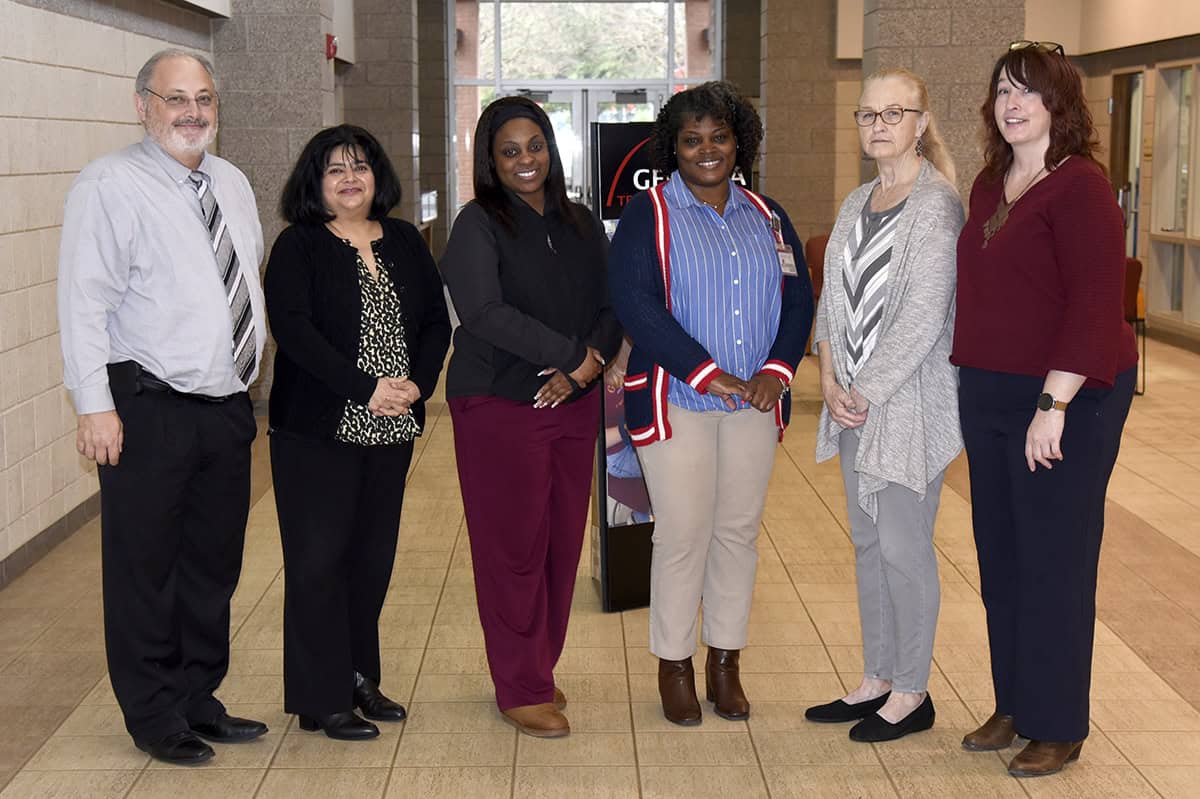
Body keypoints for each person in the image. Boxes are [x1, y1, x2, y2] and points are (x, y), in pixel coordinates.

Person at [57, 50, 267, 765]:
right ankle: (153, 711)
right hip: (147, 408)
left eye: (203, 98)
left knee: (213, 563)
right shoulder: (109, 184)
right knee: (147, 566)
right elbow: (84, 303)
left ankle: (197, 696)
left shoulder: (231, 182)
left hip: (225, 407)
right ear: (141, 103)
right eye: (175, 98)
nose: (192, 112)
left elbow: (240, 284)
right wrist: (95, 405)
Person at [953, 41, 1138, 777]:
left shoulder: (1082, 187)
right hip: (989, 390)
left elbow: (1096, 307)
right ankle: (1015, 702)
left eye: (1028, 90)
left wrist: (1052, 404)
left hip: (1070, 395)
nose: (1012, 102)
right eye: (1002, 89)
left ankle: (1058, 721)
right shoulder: (990, 182)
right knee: (1001, 558)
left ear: (1059, 104)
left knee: (1054, 560)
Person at [609, 81, 813, 726]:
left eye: (718, 137)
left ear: (738, 142)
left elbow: (797, 300)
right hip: (677, 399)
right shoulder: (652, 212)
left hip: (755, 404)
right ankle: (674, 665)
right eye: (691, 140)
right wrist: (707, 372)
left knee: (736, 533)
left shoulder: (768, 215)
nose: (706, 150)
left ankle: (725, 662)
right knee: (682, 533)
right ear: (673, 147)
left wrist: (776, 372)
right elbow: (634, 300)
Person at [440, 96, 622, 738]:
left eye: (535, 146)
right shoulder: (477, 224)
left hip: (572, 404)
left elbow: (613, 300)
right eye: (509, 150)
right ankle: (518, 686)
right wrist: (571, 354)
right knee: (512, 551)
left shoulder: (580, 223)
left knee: (559, 546)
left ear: (552, 148)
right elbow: (483, 311)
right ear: (490, 159)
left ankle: (536, 668)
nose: (525, 160)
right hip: (499, 405)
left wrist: (585, 366)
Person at [263, 125, 451, 740]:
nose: (350, 178)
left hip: (390, 431)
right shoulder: (299, 247)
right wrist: (367, 387)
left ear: (378, 176)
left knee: (370, 562)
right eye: (335, 168)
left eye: (361, 166)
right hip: (317, 432)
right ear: (315, 182)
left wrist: (417, 385)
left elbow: (432, 323)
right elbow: (296, 334)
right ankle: (319, 698)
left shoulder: (402, 239)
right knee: (319, 563)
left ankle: (356, 677)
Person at [802, 69, 963, 743]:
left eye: (891, 113)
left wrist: (865, 389)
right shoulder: (857, 199)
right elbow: (832, 301)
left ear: (921, 122)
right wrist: (833, 377)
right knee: (868, 542)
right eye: (867, 115)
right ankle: (876, 677)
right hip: (849, 404)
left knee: (904, 546)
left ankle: (912, 689)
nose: (876, 126)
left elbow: (923, 316)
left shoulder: (937, 205)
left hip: (905, 405)